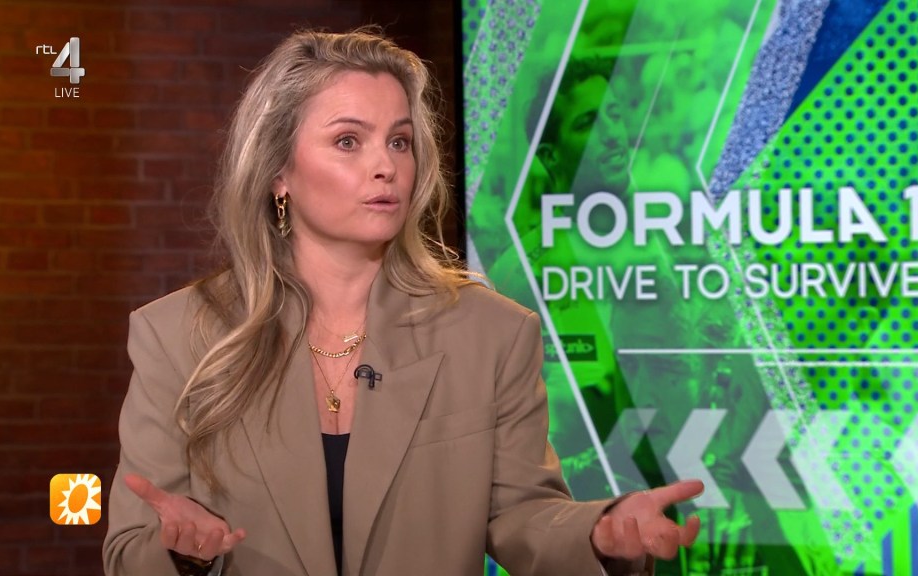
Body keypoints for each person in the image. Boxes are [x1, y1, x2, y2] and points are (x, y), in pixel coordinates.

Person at [102, 28, 703, 576]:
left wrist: (600, 535)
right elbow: (129, 552)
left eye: (399, 141)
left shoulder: (491, 332)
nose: (385, 166)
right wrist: (183, 553)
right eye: (348, 141)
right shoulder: (177, 335)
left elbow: (523, 517)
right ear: (278, 171)